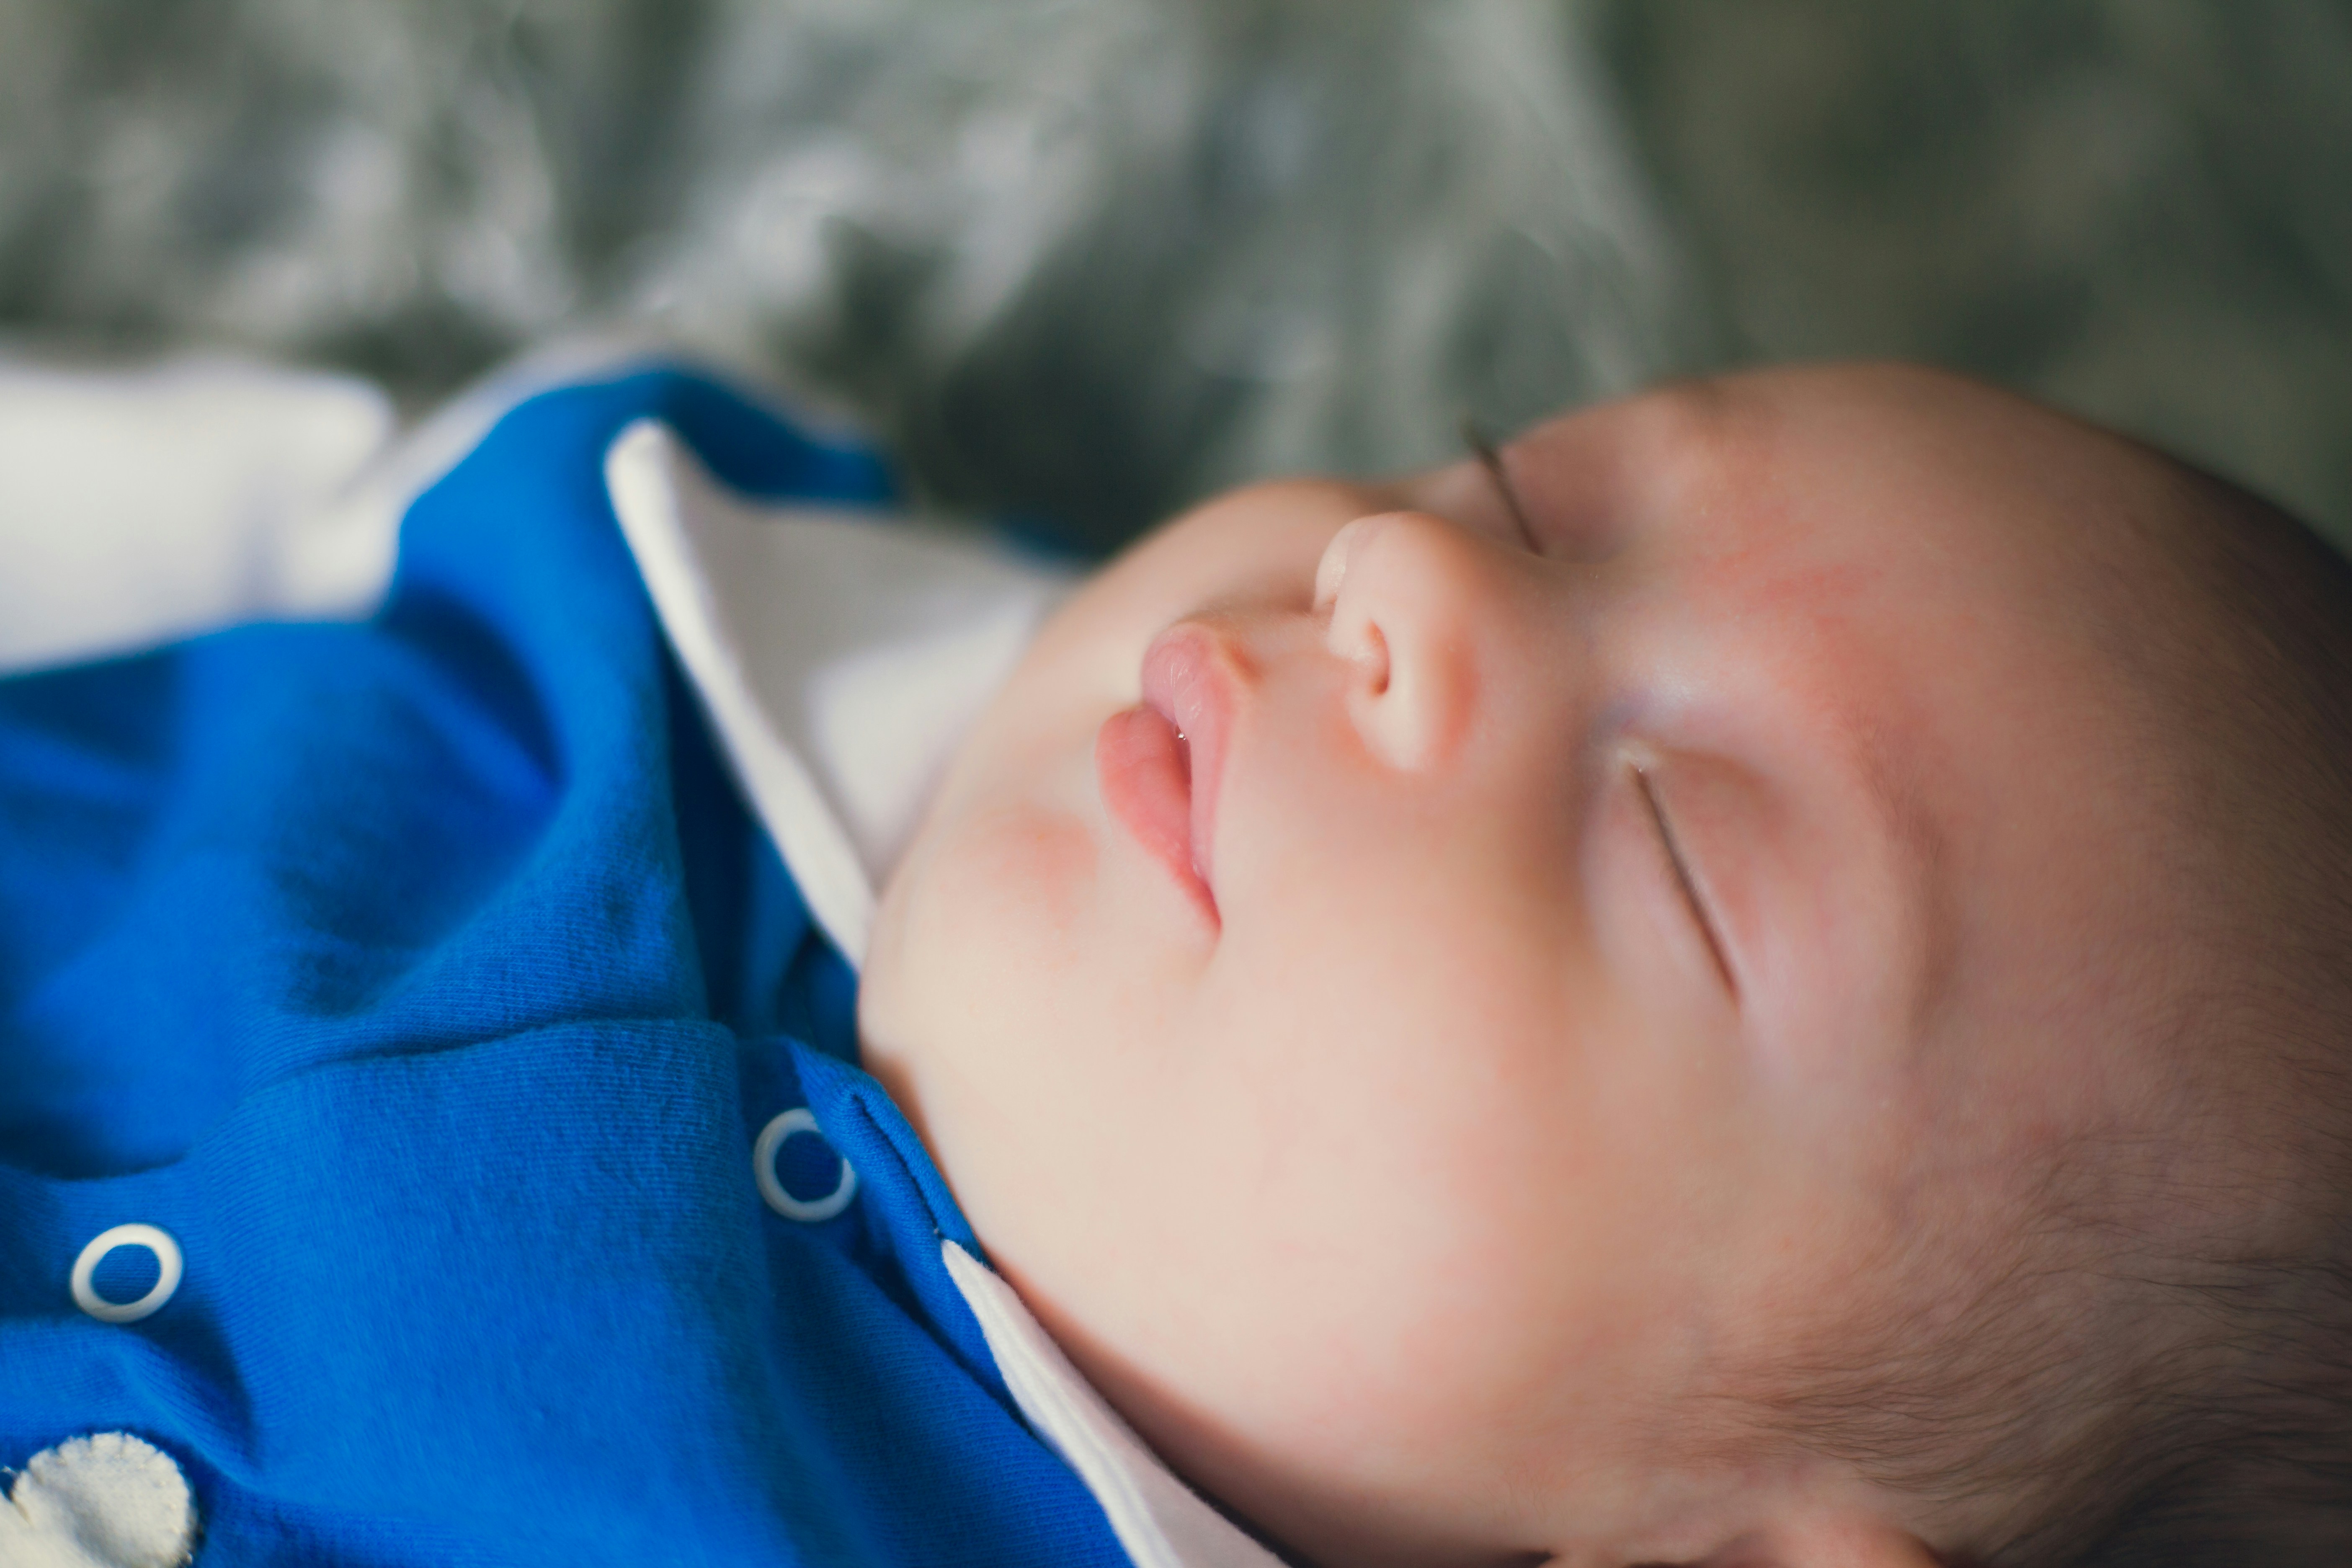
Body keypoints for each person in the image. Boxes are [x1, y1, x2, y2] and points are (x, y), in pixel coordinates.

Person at [2, 358, 2347, 1568]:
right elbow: (195, 505)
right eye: (1516, 493)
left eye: (1673, 848)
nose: (1403, 595)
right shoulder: (667, 592)